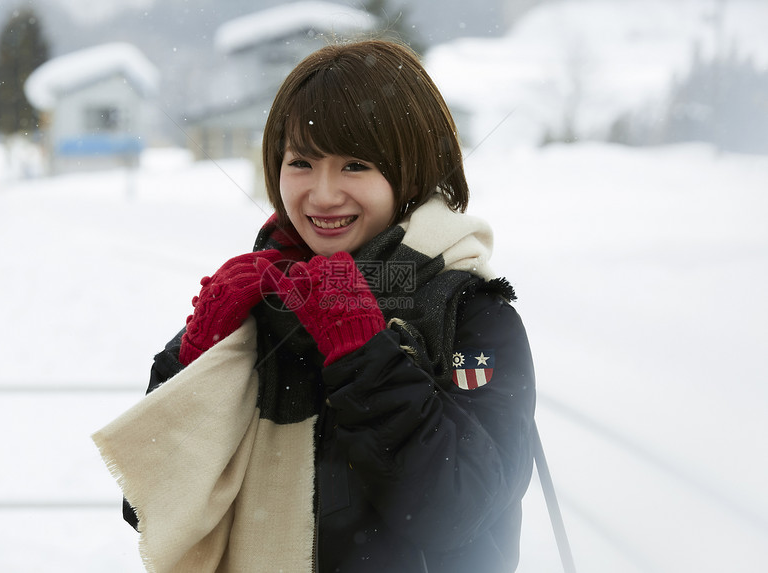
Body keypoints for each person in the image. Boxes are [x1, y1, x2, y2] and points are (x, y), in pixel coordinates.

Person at [94, 39, 536, 573]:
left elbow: (460, 510)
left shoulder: (472, 314)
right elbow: (151, 508)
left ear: (412, 171)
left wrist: (364, 352)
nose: (322, 195)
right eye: (301, 162)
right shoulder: (263, 304)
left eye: (355, 166)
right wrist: (198, 355)